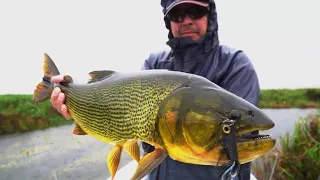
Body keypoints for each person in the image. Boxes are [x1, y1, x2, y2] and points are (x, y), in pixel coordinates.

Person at [50, 0, 260, 179]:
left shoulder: (235, 64)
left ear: (210, 15)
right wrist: (77, 105)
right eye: (178, 14)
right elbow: (120, 111)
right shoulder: (154, 62)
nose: (187, 20)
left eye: (196, 12)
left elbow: (241, 136)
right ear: (169, 22)